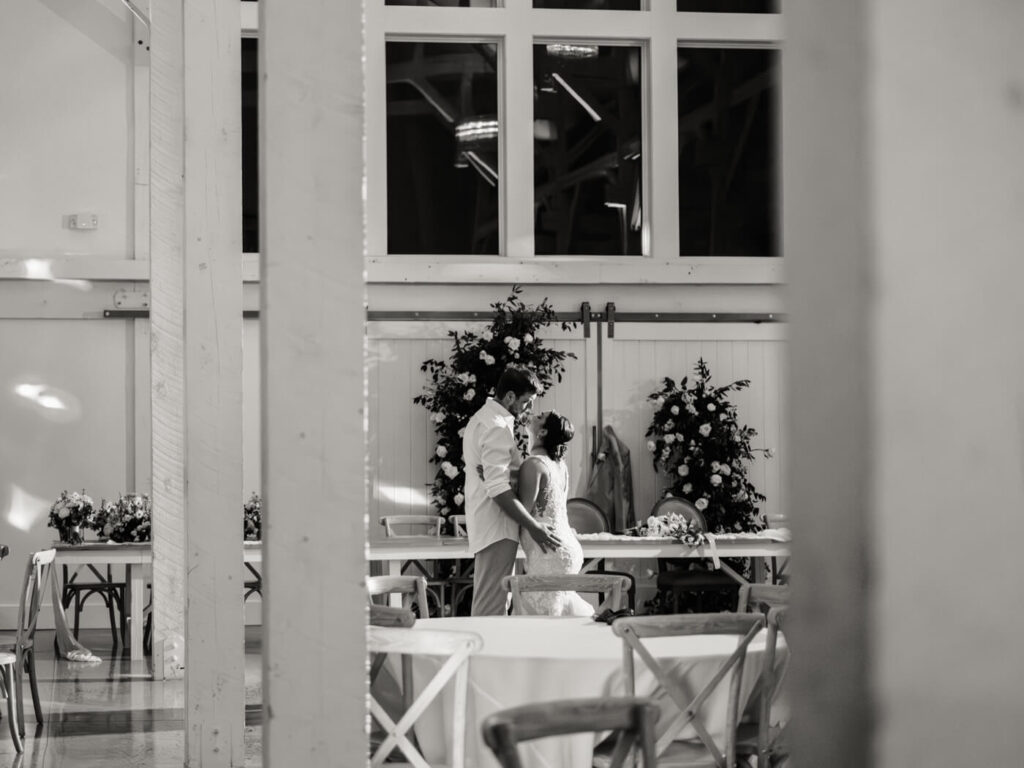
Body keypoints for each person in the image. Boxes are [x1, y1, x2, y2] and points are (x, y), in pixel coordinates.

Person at [463, 366, 562, 616]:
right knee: (491, 605)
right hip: (496, 525)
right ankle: (484, 654)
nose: (529, 409)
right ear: (509, 397)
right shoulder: (496, 426)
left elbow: (497, 480)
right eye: (526, 402)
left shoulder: (484, 419)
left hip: (492, 524)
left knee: (499, 600)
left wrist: (504, 478)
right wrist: (533, 526)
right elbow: (498, 490)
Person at [516, 409, 594, 617]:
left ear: (541, 433)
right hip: (567, 547)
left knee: (542, 621)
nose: (533, 414)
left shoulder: (533, 465)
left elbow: (522, 511)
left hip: (548, 550)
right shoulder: (559, 465)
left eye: (540, 417)